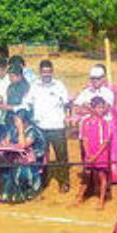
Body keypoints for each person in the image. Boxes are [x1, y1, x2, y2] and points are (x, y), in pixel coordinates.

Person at [23, 59, 72, 193]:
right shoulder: (34, 86)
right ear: (40, 72)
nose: (46, 75)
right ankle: (42, 182)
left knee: (61, 156)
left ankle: (64, 182)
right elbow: (27, 103)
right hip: (40, 128)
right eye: (44, 72)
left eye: (49, 72)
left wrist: (68, 118)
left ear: (52, 71)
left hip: (57, 127)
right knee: (41, 156)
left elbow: (67, 103)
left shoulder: (59, 85)